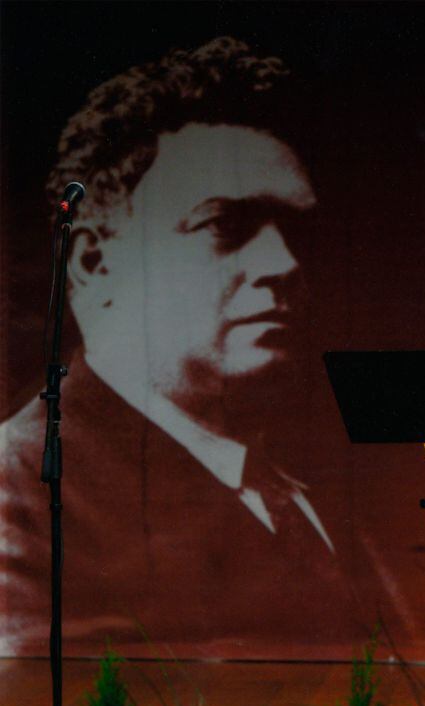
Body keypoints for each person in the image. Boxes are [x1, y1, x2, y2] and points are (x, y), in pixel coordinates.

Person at [0, 37, 366, 658]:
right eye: (225, 224)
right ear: (92, 260)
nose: (284, 263)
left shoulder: (294, 490)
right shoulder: (20, 496)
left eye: (296, 231)